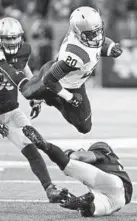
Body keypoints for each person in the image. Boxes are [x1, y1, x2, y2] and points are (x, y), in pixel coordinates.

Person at [0, 7, 123, 134]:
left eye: (98, 31)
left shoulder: (84, 33)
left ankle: (54, 98)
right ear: (79, 34)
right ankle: (5, 62)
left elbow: (99, 41)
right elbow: (49, 80)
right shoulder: (77, 55)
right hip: (53, 77)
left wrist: (111, 46)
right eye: (92, 34)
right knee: (27, 92)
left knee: (84, 127)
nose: (97, 36)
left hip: (75, 84)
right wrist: (69, 97)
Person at [0, 17, 70, 203]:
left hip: (12, 111)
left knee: (32, 146)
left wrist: (35, 96)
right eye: (7, 38)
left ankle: (49, 188)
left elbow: (23, 70)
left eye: (15, 38)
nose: (13, 42)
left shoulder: (23, 51)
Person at [22, 125, 133, 217]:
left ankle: (46, 147)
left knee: (67, 165)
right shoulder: (114, 162)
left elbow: (78, 157)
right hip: (117, 201)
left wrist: (69, 153)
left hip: (111, 183)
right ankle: (83, 203)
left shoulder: (104, 153)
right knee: (89, 210)